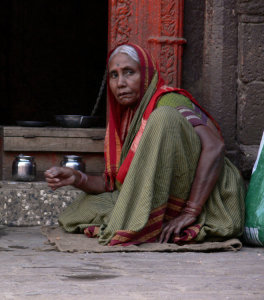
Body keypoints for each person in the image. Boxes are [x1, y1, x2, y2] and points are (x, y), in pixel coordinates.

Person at [44, 43, 245, 246]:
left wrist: (190, 212)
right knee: (80, 209)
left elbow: (215, 147)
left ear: (146, 74)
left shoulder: (168, 101)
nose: (120, 83)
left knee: (163, 117)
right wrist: (77, 177)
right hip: (160, 194)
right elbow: (115, 185)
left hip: (205, 198)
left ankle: (172, 218)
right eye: (114, 75)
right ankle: (155, 219)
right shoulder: (127, 119)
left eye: (129, 72)